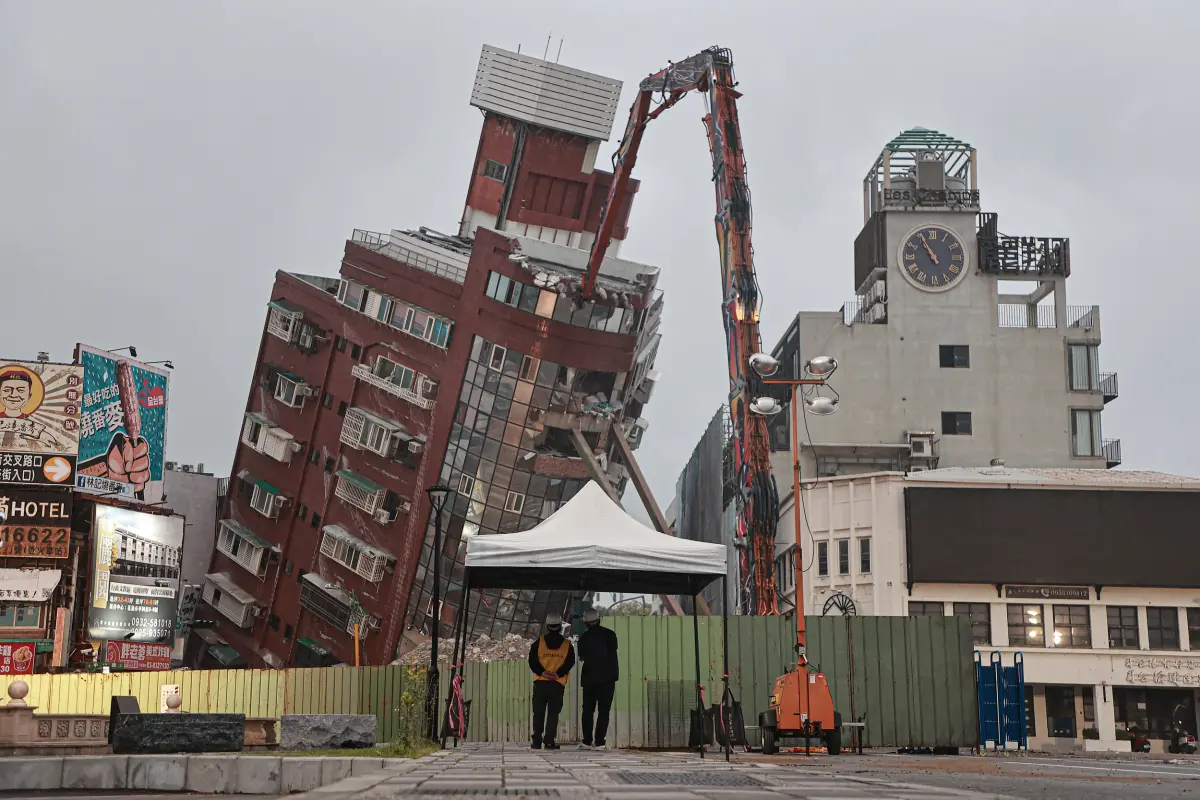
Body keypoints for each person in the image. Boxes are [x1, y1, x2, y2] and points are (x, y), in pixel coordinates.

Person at [528, 611, 575, 750]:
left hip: (540, 683)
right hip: (557, 684)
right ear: (560, 626)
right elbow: (570, 662)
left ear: (547, 626)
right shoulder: (567, 645)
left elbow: (532, 661)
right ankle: (549, 741)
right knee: (553, 713)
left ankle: (537, 741)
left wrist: (543, 672)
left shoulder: (539, 642)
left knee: (538, 712)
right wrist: (558, 674)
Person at [577, 607, 619, 750]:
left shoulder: (583, 638)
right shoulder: (610, 634)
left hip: (590, 679)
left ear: (585, 623)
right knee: (604, 710)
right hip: (608, 679)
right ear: (598, 619)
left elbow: (582, 657)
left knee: (588, 710)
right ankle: (600, 742)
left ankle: (587, 741)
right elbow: (612, 651)